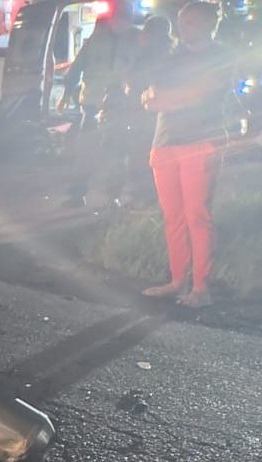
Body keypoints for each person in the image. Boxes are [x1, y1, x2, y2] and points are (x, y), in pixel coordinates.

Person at [140, 2, 233, 308]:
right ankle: (178, 281)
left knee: (197, 216)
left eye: (190, 22)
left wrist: (165, 99)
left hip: (201, 144)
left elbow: (198, 94)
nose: (183, 27)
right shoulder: (173, 57)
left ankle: (201, 288)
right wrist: (158, 97)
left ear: (208, 25)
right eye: (181, 22)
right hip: (165, 143)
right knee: (174, 218)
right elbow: (150, 92)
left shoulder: (219, 56)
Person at [58, 4, 138, 205]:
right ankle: (77, 194)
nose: (123, 23)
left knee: (115, 152)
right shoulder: (96, 38)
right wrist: (67, 92)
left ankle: (113, 197)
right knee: (85, 151)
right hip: (91, 105)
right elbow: (78, 64)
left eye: (126, 19)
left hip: (119, 105)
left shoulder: (136, 39)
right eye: (120, 18)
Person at [115, 16, 173, 205]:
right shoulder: (172, 52)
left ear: (149, 33)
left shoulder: (148, 54)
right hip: (163, 115)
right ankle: (154, 194)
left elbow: (134, 82)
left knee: (139, 152)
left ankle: (140, 196)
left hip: (144, 111)